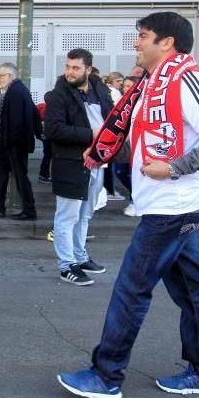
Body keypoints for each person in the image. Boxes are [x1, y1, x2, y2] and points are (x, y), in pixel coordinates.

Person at [58, 11, 199, 398]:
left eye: (142, 36)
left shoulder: (188, 80)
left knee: (131, 290)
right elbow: (152, 141)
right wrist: (111, 150)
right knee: (191, 291)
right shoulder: (155, 84)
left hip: (173, 208)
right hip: (170, 206)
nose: (136, 43)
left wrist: (174, 168)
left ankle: (106, 375)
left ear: (167, 43)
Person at [44, 49, 113, 286]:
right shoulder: (57, 95)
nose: (70, 72)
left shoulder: (101, 91)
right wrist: (91, 133)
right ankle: (67, 265)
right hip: (70, 164)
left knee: (85, 215)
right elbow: (53, 130)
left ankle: (80, 257)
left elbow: (112, 118)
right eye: (68, 67)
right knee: (67, 216)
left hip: (97, 163)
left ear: (88, 69)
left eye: (75, 68)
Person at [0, 62, 40, 221]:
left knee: (20, 176)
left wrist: (12, 144)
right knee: (1, 171)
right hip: (12, 143)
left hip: (14, 144)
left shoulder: (16, 92)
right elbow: (34, 113)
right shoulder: (17, 90)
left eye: (1, 75)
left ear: (10, 76)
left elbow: (17, 122)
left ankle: (29, 210)